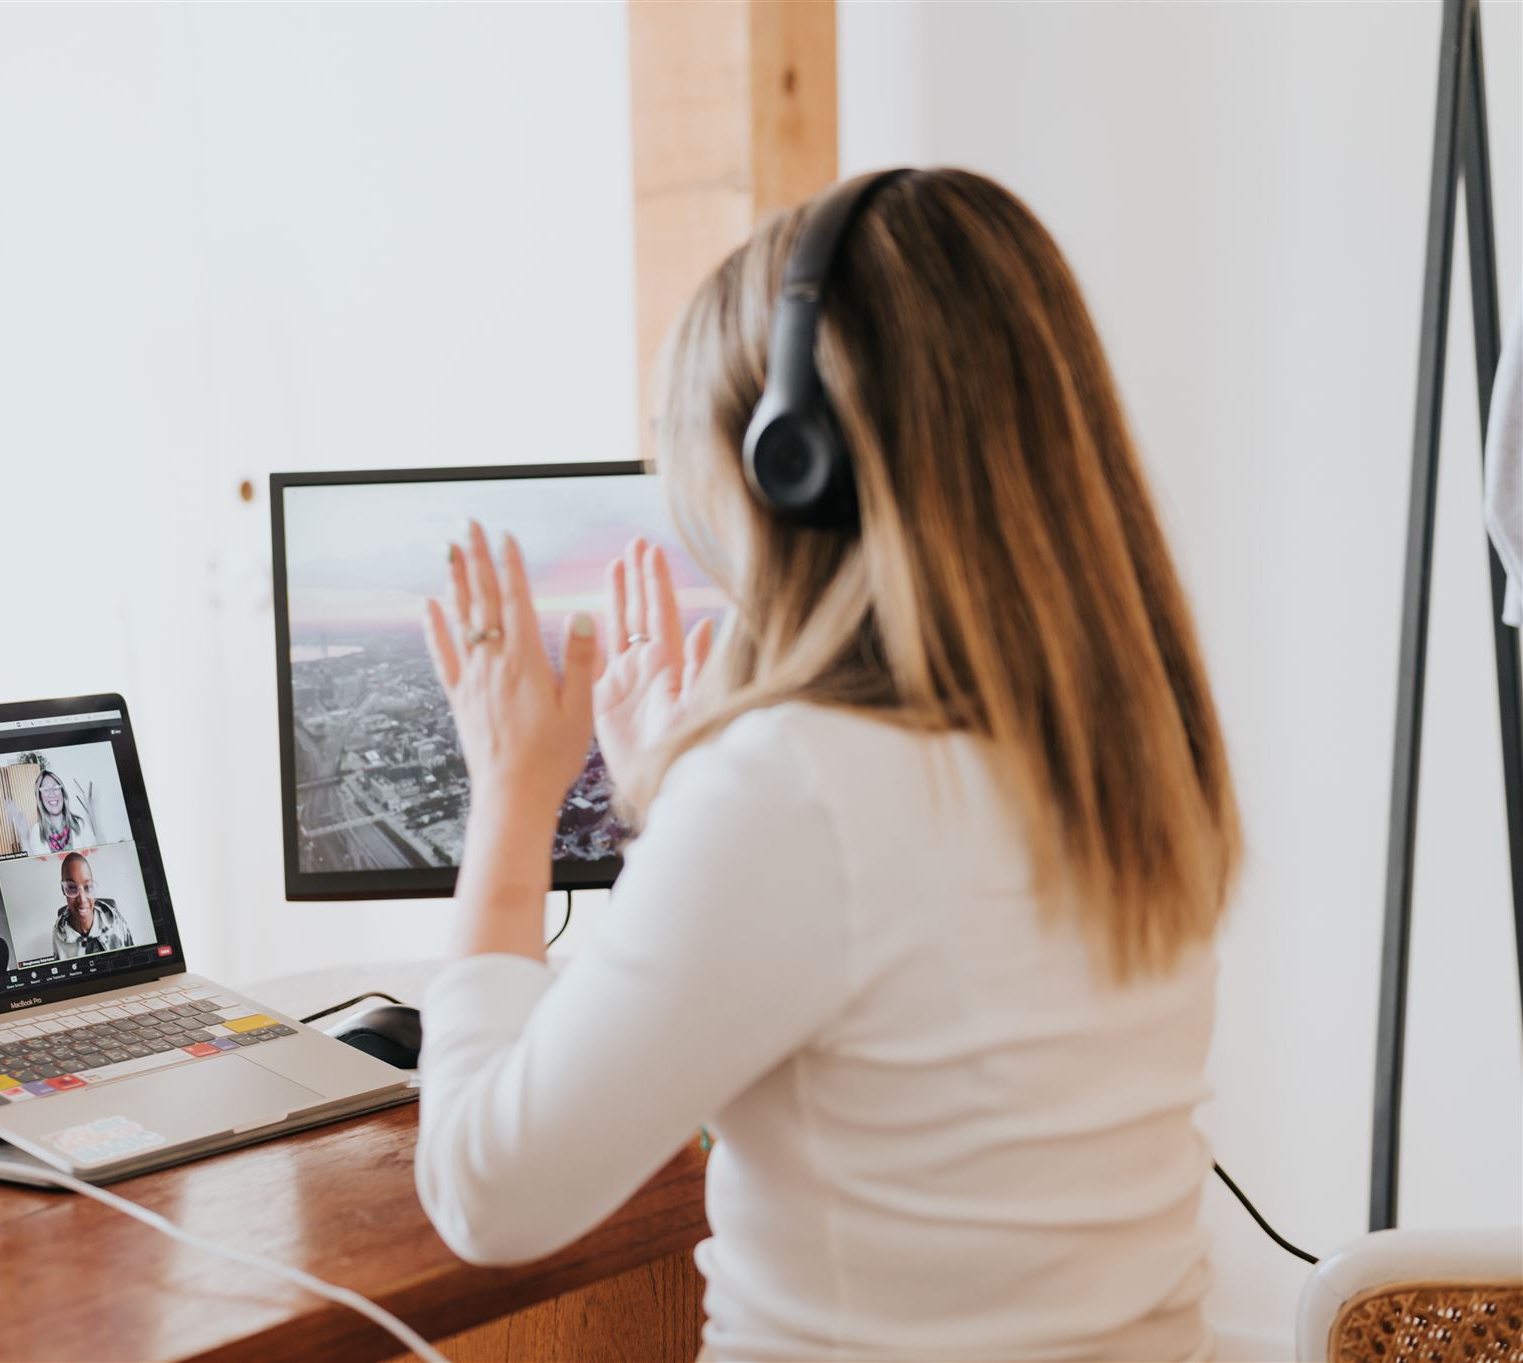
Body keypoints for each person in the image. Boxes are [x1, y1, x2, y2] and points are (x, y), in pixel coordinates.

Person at [412, 169, 1242, 1362]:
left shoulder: (800, 787)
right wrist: (675, 801)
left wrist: (508, 791)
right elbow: (880, 1053)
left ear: (798, 464)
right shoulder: (1127, 743)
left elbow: (488, 1193)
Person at [4, 765, 107, 856]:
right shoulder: (36, 831)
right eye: (45, 790)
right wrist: (24, 838)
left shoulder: (80, 824)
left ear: (63, 793)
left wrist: (94, 817)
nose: (52, 794)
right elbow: (34, 870)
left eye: (56, 788)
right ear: (40, 798)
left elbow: (100, 856)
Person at [51, 852, 134, 959]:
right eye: (71, 888)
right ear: (63, 889)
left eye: (87, 887)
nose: (82, 899)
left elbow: (134, 957)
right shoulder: (58, 934)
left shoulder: (115, 920)